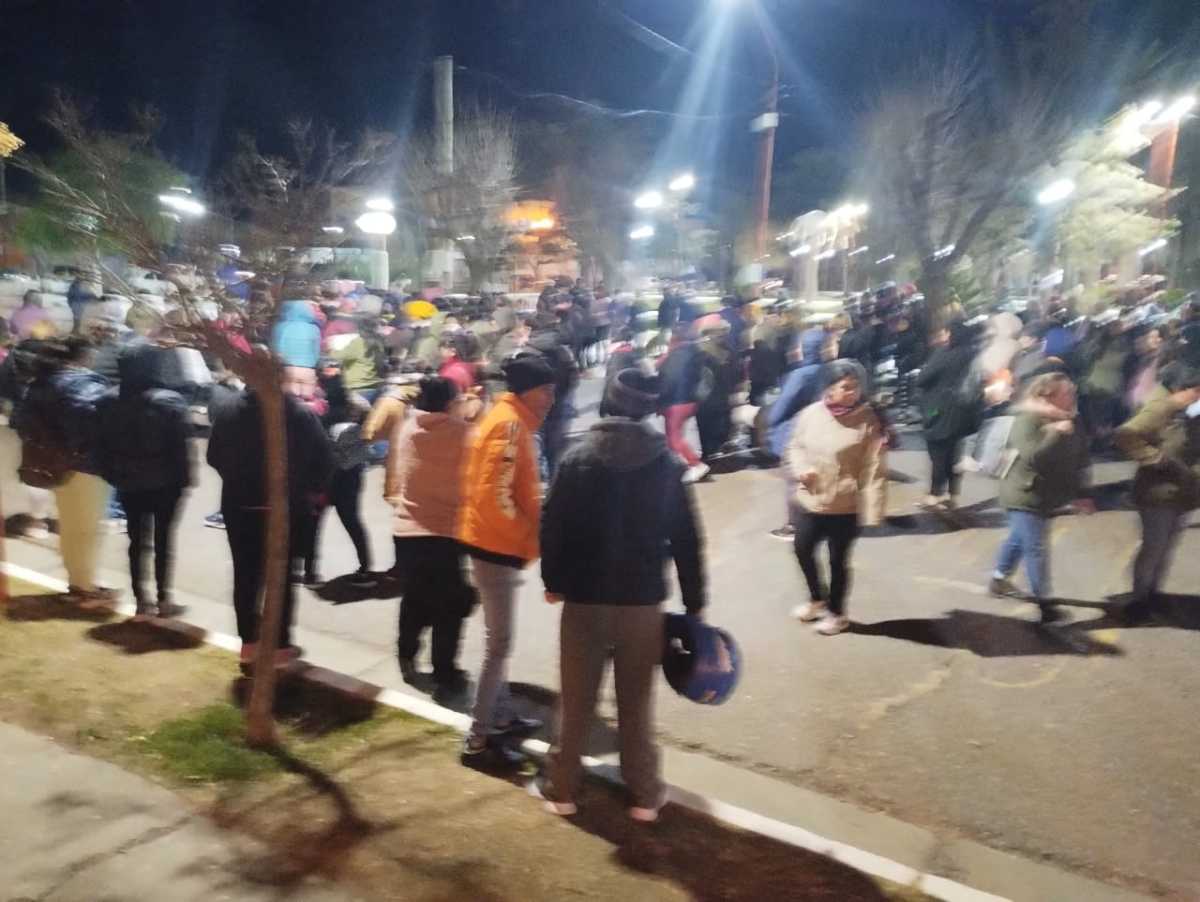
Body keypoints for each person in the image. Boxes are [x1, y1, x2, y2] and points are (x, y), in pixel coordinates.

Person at [534, 368, 707, 821]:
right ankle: (644, 795)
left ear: (608, 402)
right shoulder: (667, 465)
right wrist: (694, 602)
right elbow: (687, 538)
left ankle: (562, 789)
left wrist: (553, 581)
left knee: (576, 701)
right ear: (649, 409)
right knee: (636, 703)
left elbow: (552, 526)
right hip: (642, 601)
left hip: (584, 600)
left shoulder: (576, 458)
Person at [458, 350, 555, 769]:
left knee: (498, 642)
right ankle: (477, 742)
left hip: (492, 544)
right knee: (498, 646)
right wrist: (527, 538)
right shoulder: (509, 425)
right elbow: (494, 499)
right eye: (546, 390)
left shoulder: (509, 419)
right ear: (529, 390)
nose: (551, 398)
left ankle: (500, 718)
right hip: (495, 548)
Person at [207, 377, 335, 667]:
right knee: (284, 578)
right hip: (288, 510)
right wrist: (306, 489)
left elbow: (213, 456)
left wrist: (237, 479)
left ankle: (249, 643)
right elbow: (325, 461)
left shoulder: (228, 410)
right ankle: (279, 646)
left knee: (245, 576)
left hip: (241, 507)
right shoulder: (299, 413)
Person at [390, 377, 476, 703]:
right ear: (450, 403)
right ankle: (444, 672)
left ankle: (406, 654)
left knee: (414, 598)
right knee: (449, 608)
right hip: (444, 533)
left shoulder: (408, 427)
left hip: (406, 531)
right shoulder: (462, 433)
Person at [786, 360, 887, 636]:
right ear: (829, 387)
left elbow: (874, 468)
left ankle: (837, 614)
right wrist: (800, 469)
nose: (853, 392)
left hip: (845, 506)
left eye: (856, 387)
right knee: (802, 549)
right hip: (810, 500)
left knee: (837, 562)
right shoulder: (810, 414)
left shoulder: (868, 420)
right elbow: (795, 445)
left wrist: (873, 511)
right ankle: (817, 598)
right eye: (846, 387)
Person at [95, 342, 193, 618]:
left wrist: (111, 473)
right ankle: (164, 598)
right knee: (163, 541)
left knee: (136, 541)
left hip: (128, 480)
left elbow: (101, 444)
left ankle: (141, 598)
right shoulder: (170, 401)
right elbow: (181, 448)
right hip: (166, 483)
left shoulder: (109, 400)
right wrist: (185, 480)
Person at [13, 337, 112, 603]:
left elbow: (19, 421)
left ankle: (79, 580)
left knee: (71, 526)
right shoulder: (83, 384)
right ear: (84, 355)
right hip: (85, 465)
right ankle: (84, 588)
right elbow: (90, 420)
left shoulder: (39, 382)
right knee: (87, 529)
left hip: (52, 464)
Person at [988, 372, 1092, 622]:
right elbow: (1033, 455)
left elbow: (1081, 457)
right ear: (1047, 395)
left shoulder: (1072, 418)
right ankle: (1045, 604)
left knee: (1018, 538)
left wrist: (1083, 493)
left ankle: (998, 579)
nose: (1073, 396)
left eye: (1073, 391)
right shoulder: (1026, 419)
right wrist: (1054, 432)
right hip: (1023, 493)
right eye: (1067, 393)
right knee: (1036, 548)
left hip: (1046, 494)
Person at [1113, 363, 1200, 623]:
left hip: (1183, 493)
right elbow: (1125, 435)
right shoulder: (1161, 408)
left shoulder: (1187, 410)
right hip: (1158, 495)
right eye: (1196, 391)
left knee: (1165, 550)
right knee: (1154, 549)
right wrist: (1155, 458)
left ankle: (1153, 594)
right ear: (1180, 389)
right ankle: (1138, 601)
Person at [303, 360, 373, 586]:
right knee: (352, 521)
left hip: (322, 477)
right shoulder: (357, 403)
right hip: (350, 473)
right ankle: (366, 569)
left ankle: (310, 573)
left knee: (313, 525)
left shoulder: (316, 408)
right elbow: (370, 425)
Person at [916, 320, 978, 510]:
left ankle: (935, 494)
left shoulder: (944, 353)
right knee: (954, 453)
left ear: (951, 334)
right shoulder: (973, 353)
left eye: (944, 332)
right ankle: (953, 494)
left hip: (939, 408)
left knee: (938, 452)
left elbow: (922, 379)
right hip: (965, 410)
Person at [526, 314, 579, 479]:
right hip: (558, 403)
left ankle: (536, 477)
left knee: (534, 440)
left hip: (533, 406)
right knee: (554, 447)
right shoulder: (563, 350)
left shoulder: (527, 351)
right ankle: (554, 479)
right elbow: (573, 377)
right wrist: (562, 394)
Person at [657, 326, 709, 484]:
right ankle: (678, 465)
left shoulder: (674, 356)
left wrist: (659, 400)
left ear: (674, 338)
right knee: (676, 436)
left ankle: (696, 465)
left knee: (674, 438)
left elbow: (668, 380)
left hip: (676, 402)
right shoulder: (693, 352)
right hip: (691, 400)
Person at [271, 300, 322, 370]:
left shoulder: (281, 326)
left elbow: (277, 348)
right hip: (308, 368)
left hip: (285, 367)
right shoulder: (314, 329)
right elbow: (316, 351)